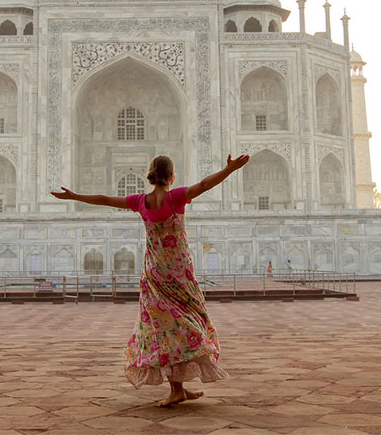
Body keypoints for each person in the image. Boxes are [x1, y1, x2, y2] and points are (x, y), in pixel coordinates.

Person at [51, 152, 249, 407]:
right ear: (171, 176)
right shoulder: (175, 197)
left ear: (152, 176)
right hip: (179, 273)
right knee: (186, 323)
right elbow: (203, 185)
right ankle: (178, 387)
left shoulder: (141, 201)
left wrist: (75, 196)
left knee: (164, 329)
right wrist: (229, 170)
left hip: (154, 273)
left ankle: (178, 387)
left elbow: (104, 199)